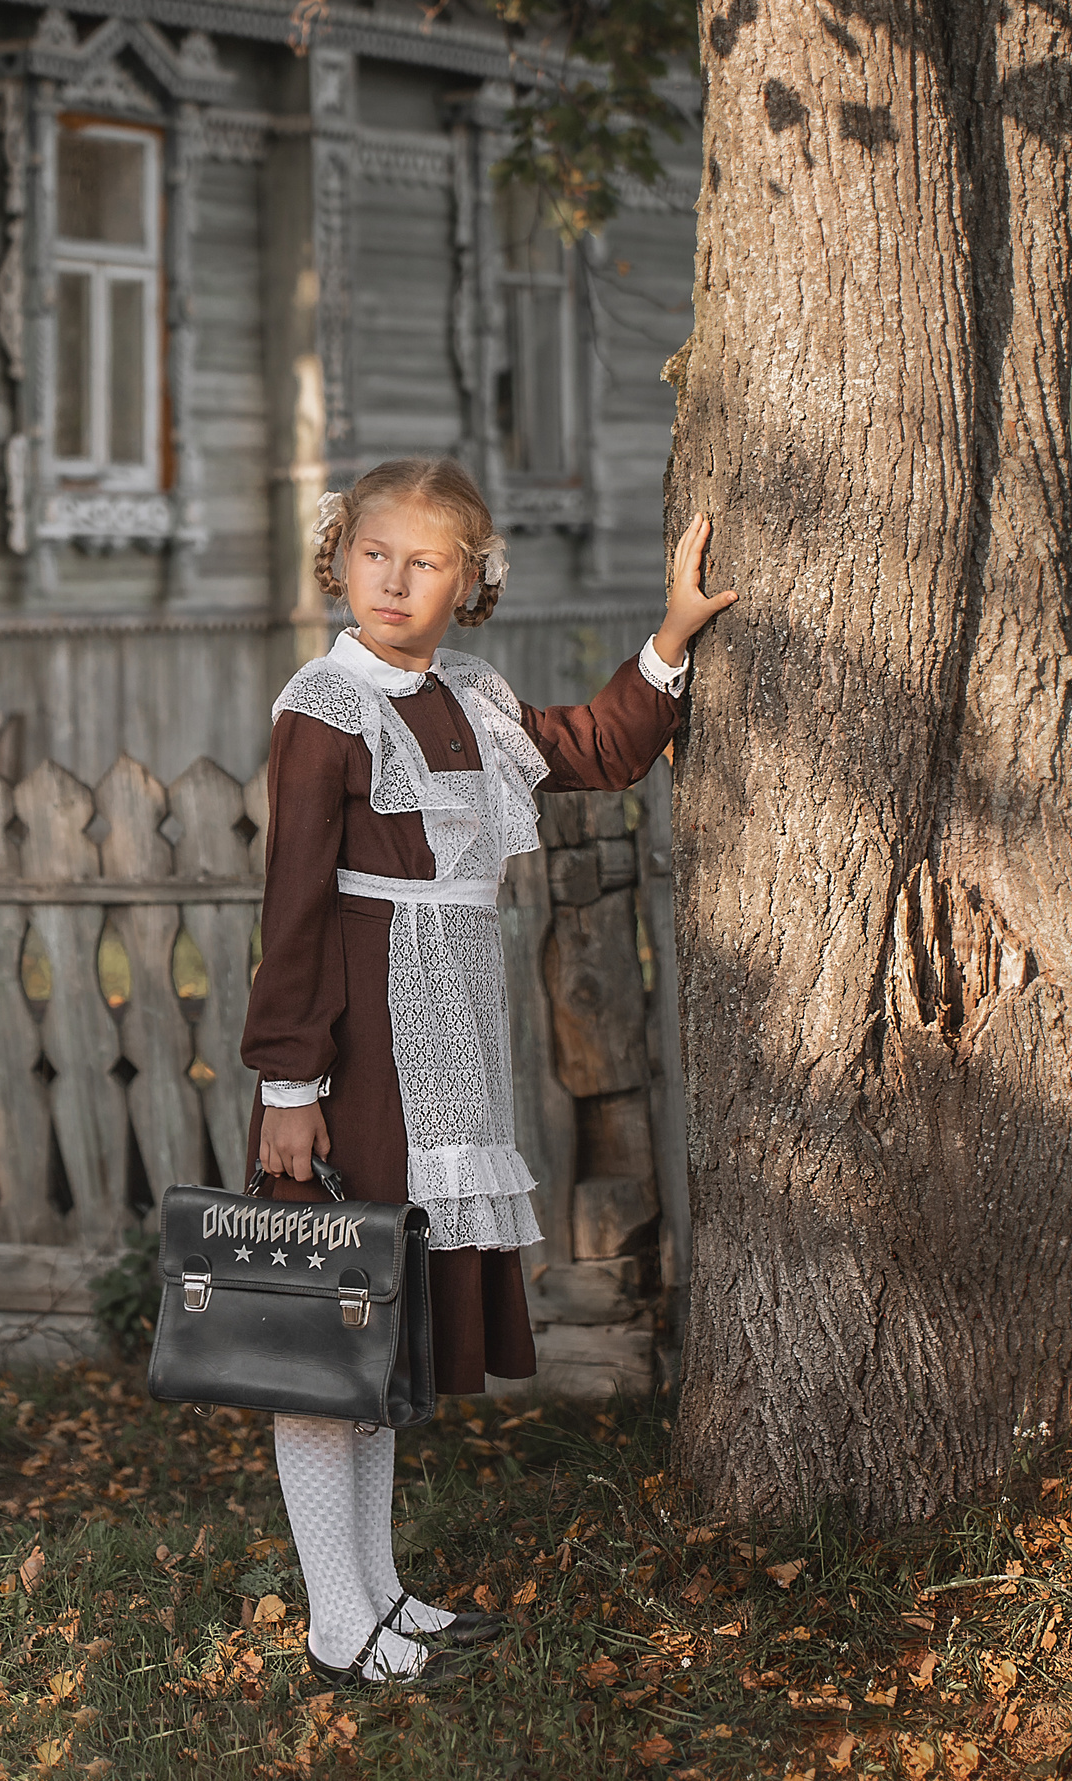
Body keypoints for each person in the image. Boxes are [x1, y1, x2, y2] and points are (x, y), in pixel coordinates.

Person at [241, 456, 737, 1688]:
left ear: (473, 580)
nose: (393, 580)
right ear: (337, 559)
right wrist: (288, 1084)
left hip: (451, 1028)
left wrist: (671, 636)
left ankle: (377, 1591)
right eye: (374, 554)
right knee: (330, 1322)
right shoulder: (325, 704)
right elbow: (292, 902)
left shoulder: (467, 689)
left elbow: (594, 747)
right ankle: (330, 1618)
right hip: (360, 1037)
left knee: (385, 1323)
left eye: (425, 561)